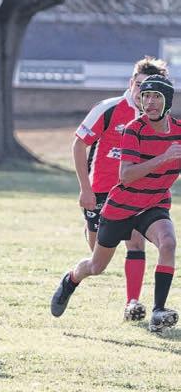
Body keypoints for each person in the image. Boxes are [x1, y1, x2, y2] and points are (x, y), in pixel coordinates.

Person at [52, 74, 181, 332]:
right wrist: (164, 158)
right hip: (120, 208)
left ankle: (158, 312)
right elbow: (126, 175)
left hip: (153, 204)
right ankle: (71, 279)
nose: (149, 102)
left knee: (168, 243)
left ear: (167, 100)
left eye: (156, 97)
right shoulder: (134, 129)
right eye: (145, 96)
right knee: (96, 266)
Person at [72, 57, 168, 320]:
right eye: (139, 86)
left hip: (134, 194)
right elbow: (79, 145)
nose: (142, 94)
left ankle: (132, 303)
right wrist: (85, 189)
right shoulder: (109, 109)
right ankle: (76, 270)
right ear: (130, 83)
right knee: (97, 261)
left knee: (136, 243)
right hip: (100, 192)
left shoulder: (158, 119)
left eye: (150, 89)